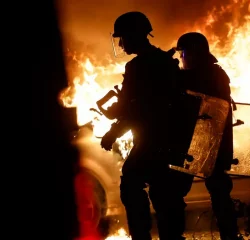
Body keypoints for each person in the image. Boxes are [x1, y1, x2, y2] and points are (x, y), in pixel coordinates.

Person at [100, 12, 193, 240]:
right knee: (166, 199)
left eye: (123, 38)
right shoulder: (166, 62)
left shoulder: (138, 67)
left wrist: (112, 132)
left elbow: (135, 111)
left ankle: (141, 236)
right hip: (173, 143)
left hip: (153, 142)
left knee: (131, 183)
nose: (121, 44)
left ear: (134, 36)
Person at [175, 32, 242, 240]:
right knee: (220, 196)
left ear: (193, 53)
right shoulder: (217, 74)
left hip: (200, 145)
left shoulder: (200, 77)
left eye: (183, 53)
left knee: (174, 194)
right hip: (213, 145)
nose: (181, 58)